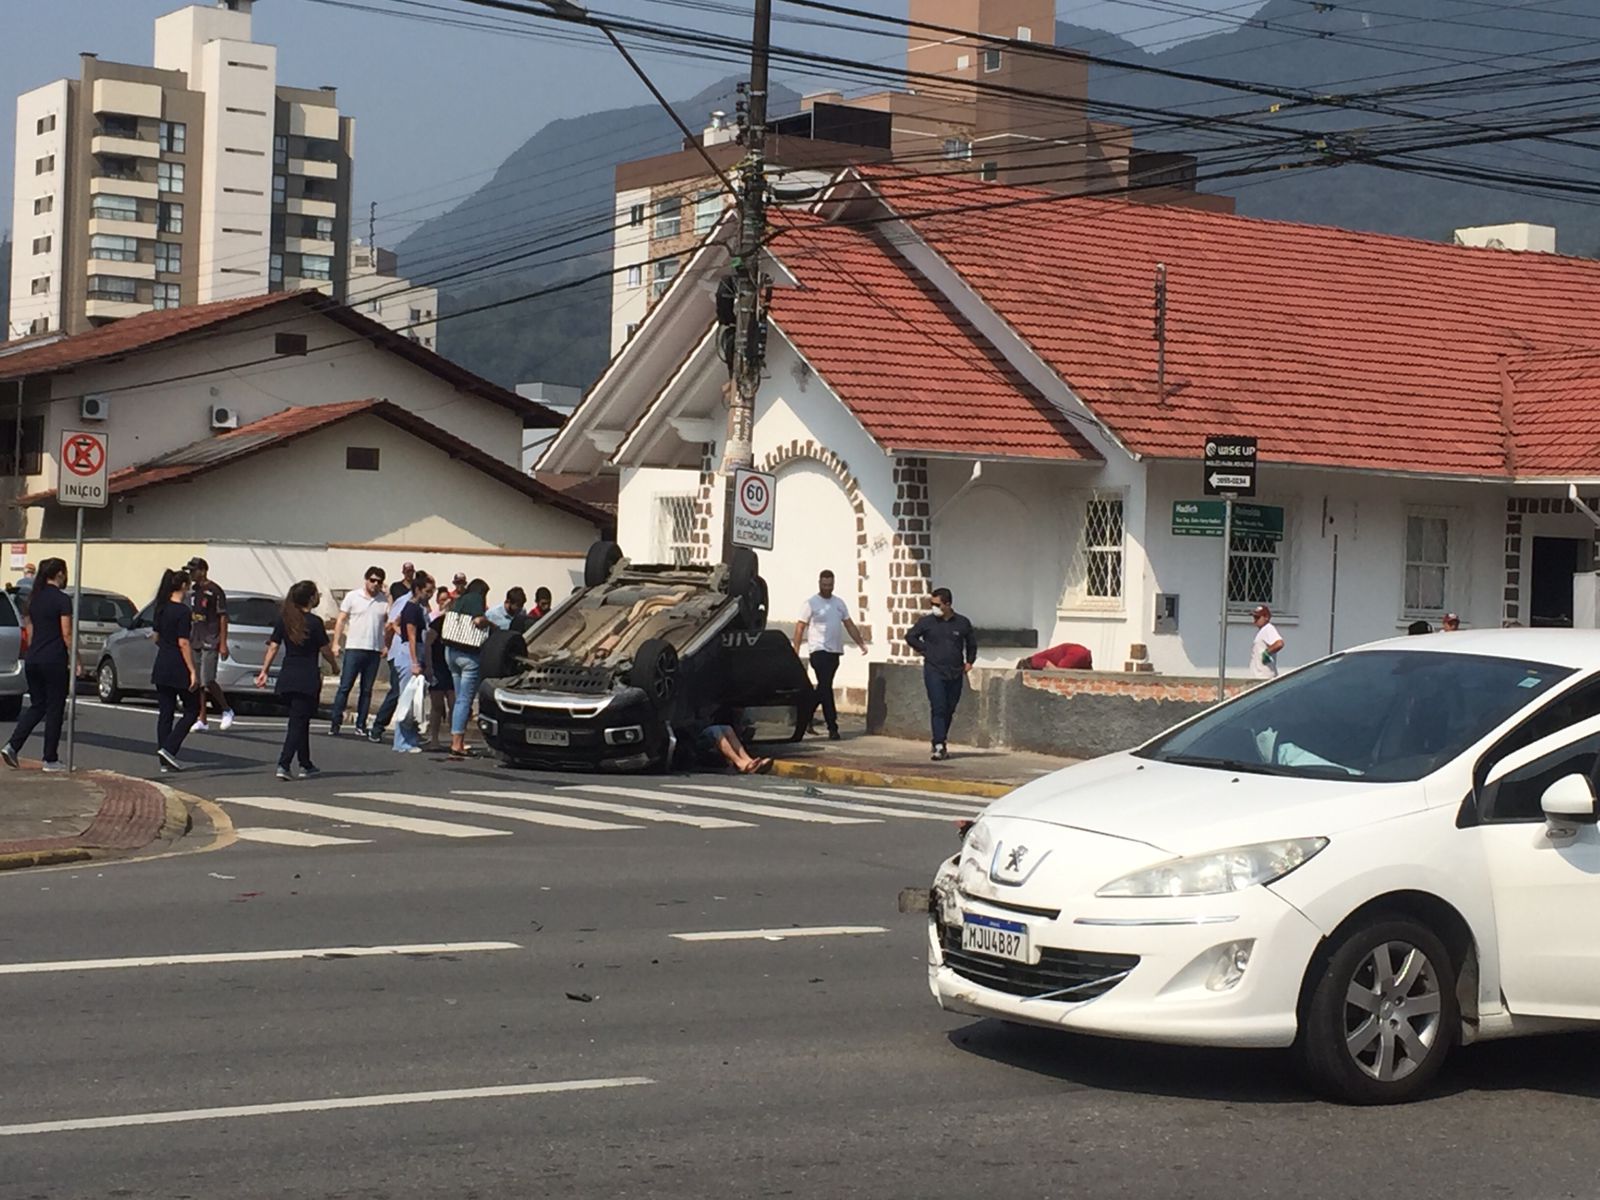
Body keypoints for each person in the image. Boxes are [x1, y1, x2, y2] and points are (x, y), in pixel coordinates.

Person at [257, 580, 338, 781]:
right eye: (316, 593)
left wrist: (264, 671)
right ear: (311, 598)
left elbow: (274, 646)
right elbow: (325, 649)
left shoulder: (285, 620)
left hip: (288, 674)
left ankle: (305, 763)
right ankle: (284, 764)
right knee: (297, 722)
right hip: (307, 676)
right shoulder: (314, 622)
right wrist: (335, 665)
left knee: (301, 720)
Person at [1, 558, 72, 772]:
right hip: (54, 659)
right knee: (55, 709)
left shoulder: (33, 599)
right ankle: (50, 759)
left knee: (38, 705)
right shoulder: (62, 600)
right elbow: (66, 633)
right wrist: (76, 659)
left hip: (34, 658)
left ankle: (13, 745)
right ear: (59, 574)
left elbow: (30, 632)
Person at [793, 569, 868, 741]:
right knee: (826, 687)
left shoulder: (839, 603)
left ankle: (805, 717)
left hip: (835, 651)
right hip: (818, 650)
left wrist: (860, 643)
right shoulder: (811, 603)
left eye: (830, 585)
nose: (827, 588)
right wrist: (796, 649)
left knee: (822, 688)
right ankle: (832, 727)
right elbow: (800, 627)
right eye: (824, 584)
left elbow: (849, 624)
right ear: (819, 583)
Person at [905, 587, 977, 763]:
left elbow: (971, 643)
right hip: (934, 670)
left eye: (937, 604)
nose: (933, 607)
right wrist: (925, 650)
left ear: (947, 604)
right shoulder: (927, 622)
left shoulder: (962, 623)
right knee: (938, 706)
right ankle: (939, 743)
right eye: (932, 604)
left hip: (955, 671)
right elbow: (910, 636)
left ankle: (940, 737)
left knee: (949, 708)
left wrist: (969, 661)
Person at [372, 573, 433, 749]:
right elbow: (412, 636)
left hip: (415, 651)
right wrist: (414, 662)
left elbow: (397, 624)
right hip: (409, 654)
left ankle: (410, 738)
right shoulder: (411, 608)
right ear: (418, 589)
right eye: (427, 591)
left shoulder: (418, 608)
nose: (430, 595)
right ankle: (402, 742)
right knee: (406, 699)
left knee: (414, 700)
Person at [150, 567, 201, 773]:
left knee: (166, 712)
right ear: (182, 586)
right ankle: (170, 748)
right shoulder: (182, 611)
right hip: (178, 664)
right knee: (192, 709)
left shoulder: (160, 608)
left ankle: (164, 758)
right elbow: (184, 643)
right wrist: (192, 670)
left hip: (162, 661)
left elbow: (156, 637)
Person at [328, 565, 388, 737]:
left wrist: (386, 645)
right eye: (372, 580)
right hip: (354, 647)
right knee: (345, 686)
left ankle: (360, 725)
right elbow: (341, 620)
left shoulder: (384, 601)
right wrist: (336, 643)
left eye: (379, 581)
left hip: (374, 649)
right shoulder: (353, 596)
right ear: (366, 580)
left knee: (367, 689)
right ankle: (335, 722)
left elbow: (390, 623)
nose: (375, 584)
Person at [442, 577, 491, 760]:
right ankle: (457, 744)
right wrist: (489, 623)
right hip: (468, 654)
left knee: (458, 699)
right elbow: (478, 621)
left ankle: (457, 741)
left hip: (451, 651)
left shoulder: (460, 599)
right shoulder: (476, 599)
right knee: (464, 700)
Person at [185, 558, 234, 733]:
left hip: (210, 639)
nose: (191, 575)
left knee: (208, 679)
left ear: (203, 570)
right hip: (195, 639)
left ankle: (226, 709)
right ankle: (202, 718)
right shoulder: (193, 591)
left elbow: (223, 617)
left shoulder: (215, 591)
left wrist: (223, 643)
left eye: (194, 571)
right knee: (198, 682)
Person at [697, 708, 771, 774]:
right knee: (715, 731)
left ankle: (748, 760)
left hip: (704, 730)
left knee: (727, 728)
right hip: (696, 737)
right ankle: (739, 763)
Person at [422, 607, 454, 751]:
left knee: (455, 704)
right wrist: (428, 666)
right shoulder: (439, 623)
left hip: (453, 667)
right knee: (437, 705)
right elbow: (428, 643)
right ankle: (434, 738)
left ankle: (456, 739)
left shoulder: (462, 624)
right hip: (438, 666)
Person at [1250, 604, 1285, 680]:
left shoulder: (1268, 628)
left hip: (1264, 677)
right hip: (1259, 676)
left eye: (1258, 617)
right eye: (1254, 617)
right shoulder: (1263, 630)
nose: (1255, 620)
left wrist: (1267, 652)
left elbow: (1279, 643)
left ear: (1266, 617)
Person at [1018, 642, 1093, 671]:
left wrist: (1055, 672)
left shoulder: (1034, 660)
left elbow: (1047, 664)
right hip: (1083, 652)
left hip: (1073, 653)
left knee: (1060, 674)